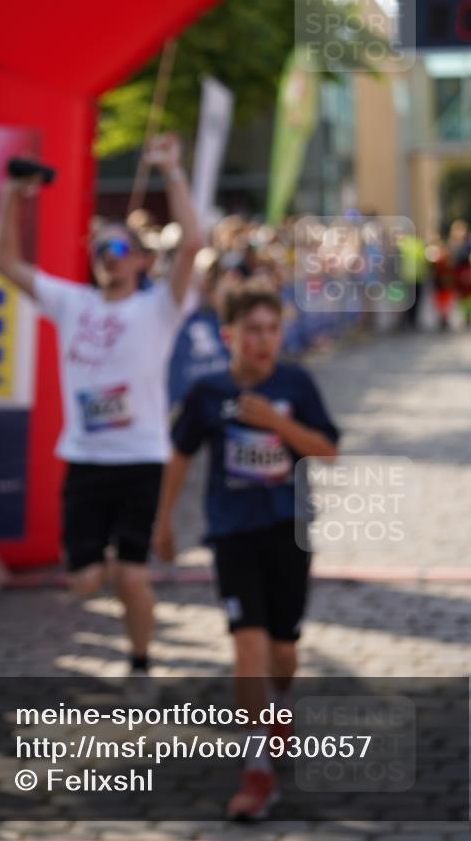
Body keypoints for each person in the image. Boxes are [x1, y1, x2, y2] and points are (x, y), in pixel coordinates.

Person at [0, 133, 201, 674]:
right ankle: (104, 560)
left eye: (120, 248)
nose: (109, 255)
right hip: (84, 460)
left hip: (139, 460)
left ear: (142, 260)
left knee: (132, 576)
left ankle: (141, 662)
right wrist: (14, 193)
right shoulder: (71, 302)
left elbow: (195, 243)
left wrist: (171, 171)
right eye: (101, 248)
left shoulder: (160, 308)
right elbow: (3, 262)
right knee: (83, 581)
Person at [153, 282, 340, 820]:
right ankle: (257, 769)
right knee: (249, 646)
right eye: (253, 330)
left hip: (288, 530)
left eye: (272, 329)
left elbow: (328, 453)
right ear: (229, 335)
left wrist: (279, 424)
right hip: (232, 533)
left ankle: (280, 706)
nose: (264, 340)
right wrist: (164, 523)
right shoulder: (209, 392)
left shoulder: (296, 383)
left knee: (283, 651)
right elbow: (181, 455)